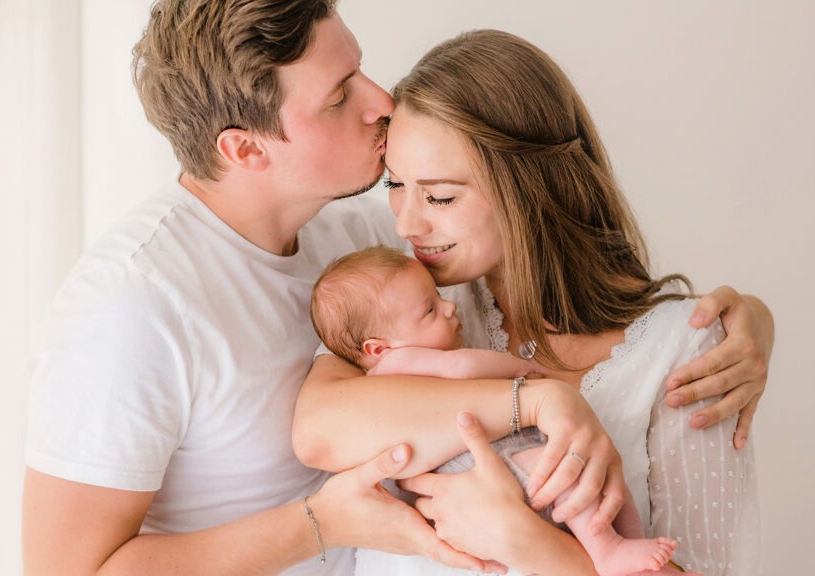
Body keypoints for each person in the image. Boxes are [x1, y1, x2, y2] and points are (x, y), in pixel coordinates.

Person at [23, 2, 770, 575]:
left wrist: (748, 321)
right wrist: (538, 398)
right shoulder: (132, 303)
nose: (381, 100)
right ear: (245, 148)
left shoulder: (374, 252)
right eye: (339, 93)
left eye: (361, 68)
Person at [295, 29, 772, 575]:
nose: (407, 222)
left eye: (441, 196)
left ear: (529, 189)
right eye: (396, 185)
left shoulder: (685, 349)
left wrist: (522, 539)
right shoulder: (411, 305)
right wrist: (540, 400)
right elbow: (316, 432)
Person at [310, 245, 683, 575]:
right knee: (570, 471)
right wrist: (518, 370)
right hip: (473, 462)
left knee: (594, 473)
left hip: (483, 467)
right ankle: (611, 548)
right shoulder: (396, 364)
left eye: (438, 297)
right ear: (378, 348)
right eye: (429, 310)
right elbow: (463, 368)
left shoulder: (381, 370)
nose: (449, 306)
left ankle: (630, 550)